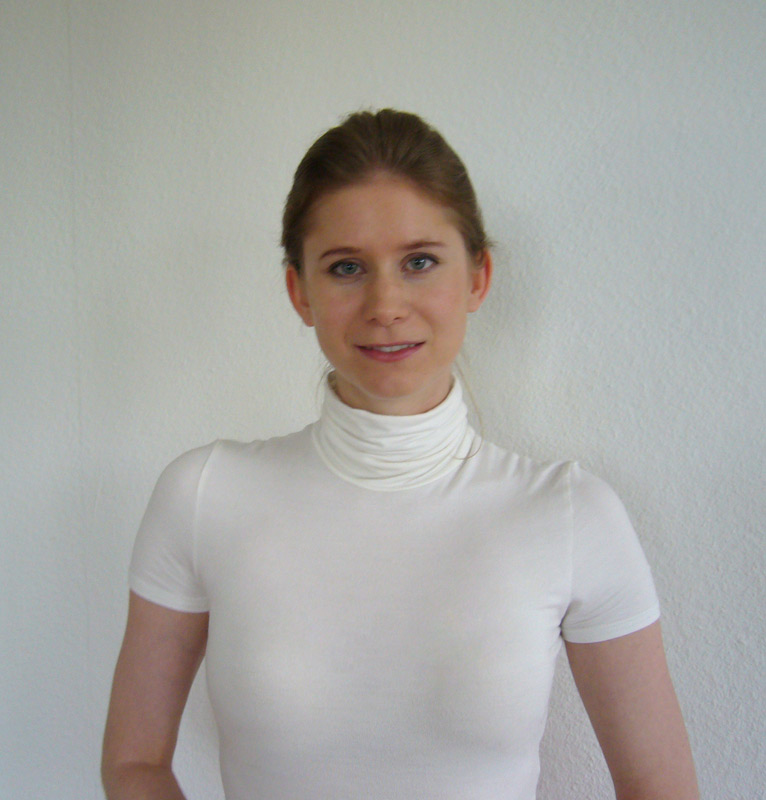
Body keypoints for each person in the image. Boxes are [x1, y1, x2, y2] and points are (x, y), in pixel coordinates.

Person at [102, 109, 699, 800]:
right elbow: (135, 763)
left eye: (419, 262)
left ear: (478, 277)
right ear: (300, 292)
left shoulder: (572, 515)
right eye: (346, 268)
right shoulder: (205, 495)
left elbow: (658, 786)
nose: (385, 304)